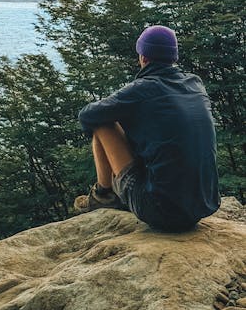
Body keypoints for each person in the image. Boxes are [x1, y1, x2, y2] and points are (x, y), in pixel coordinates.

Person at [74, 25, 220, 232]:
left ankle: (103, 195)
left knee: (103, 122)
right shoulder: (195, 83)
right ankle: (109, 194)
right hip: (202, 205)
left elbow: (87, 115)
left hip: (160, 211)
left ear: (143, 57)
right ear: (173, 58)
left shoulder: (142, 89)